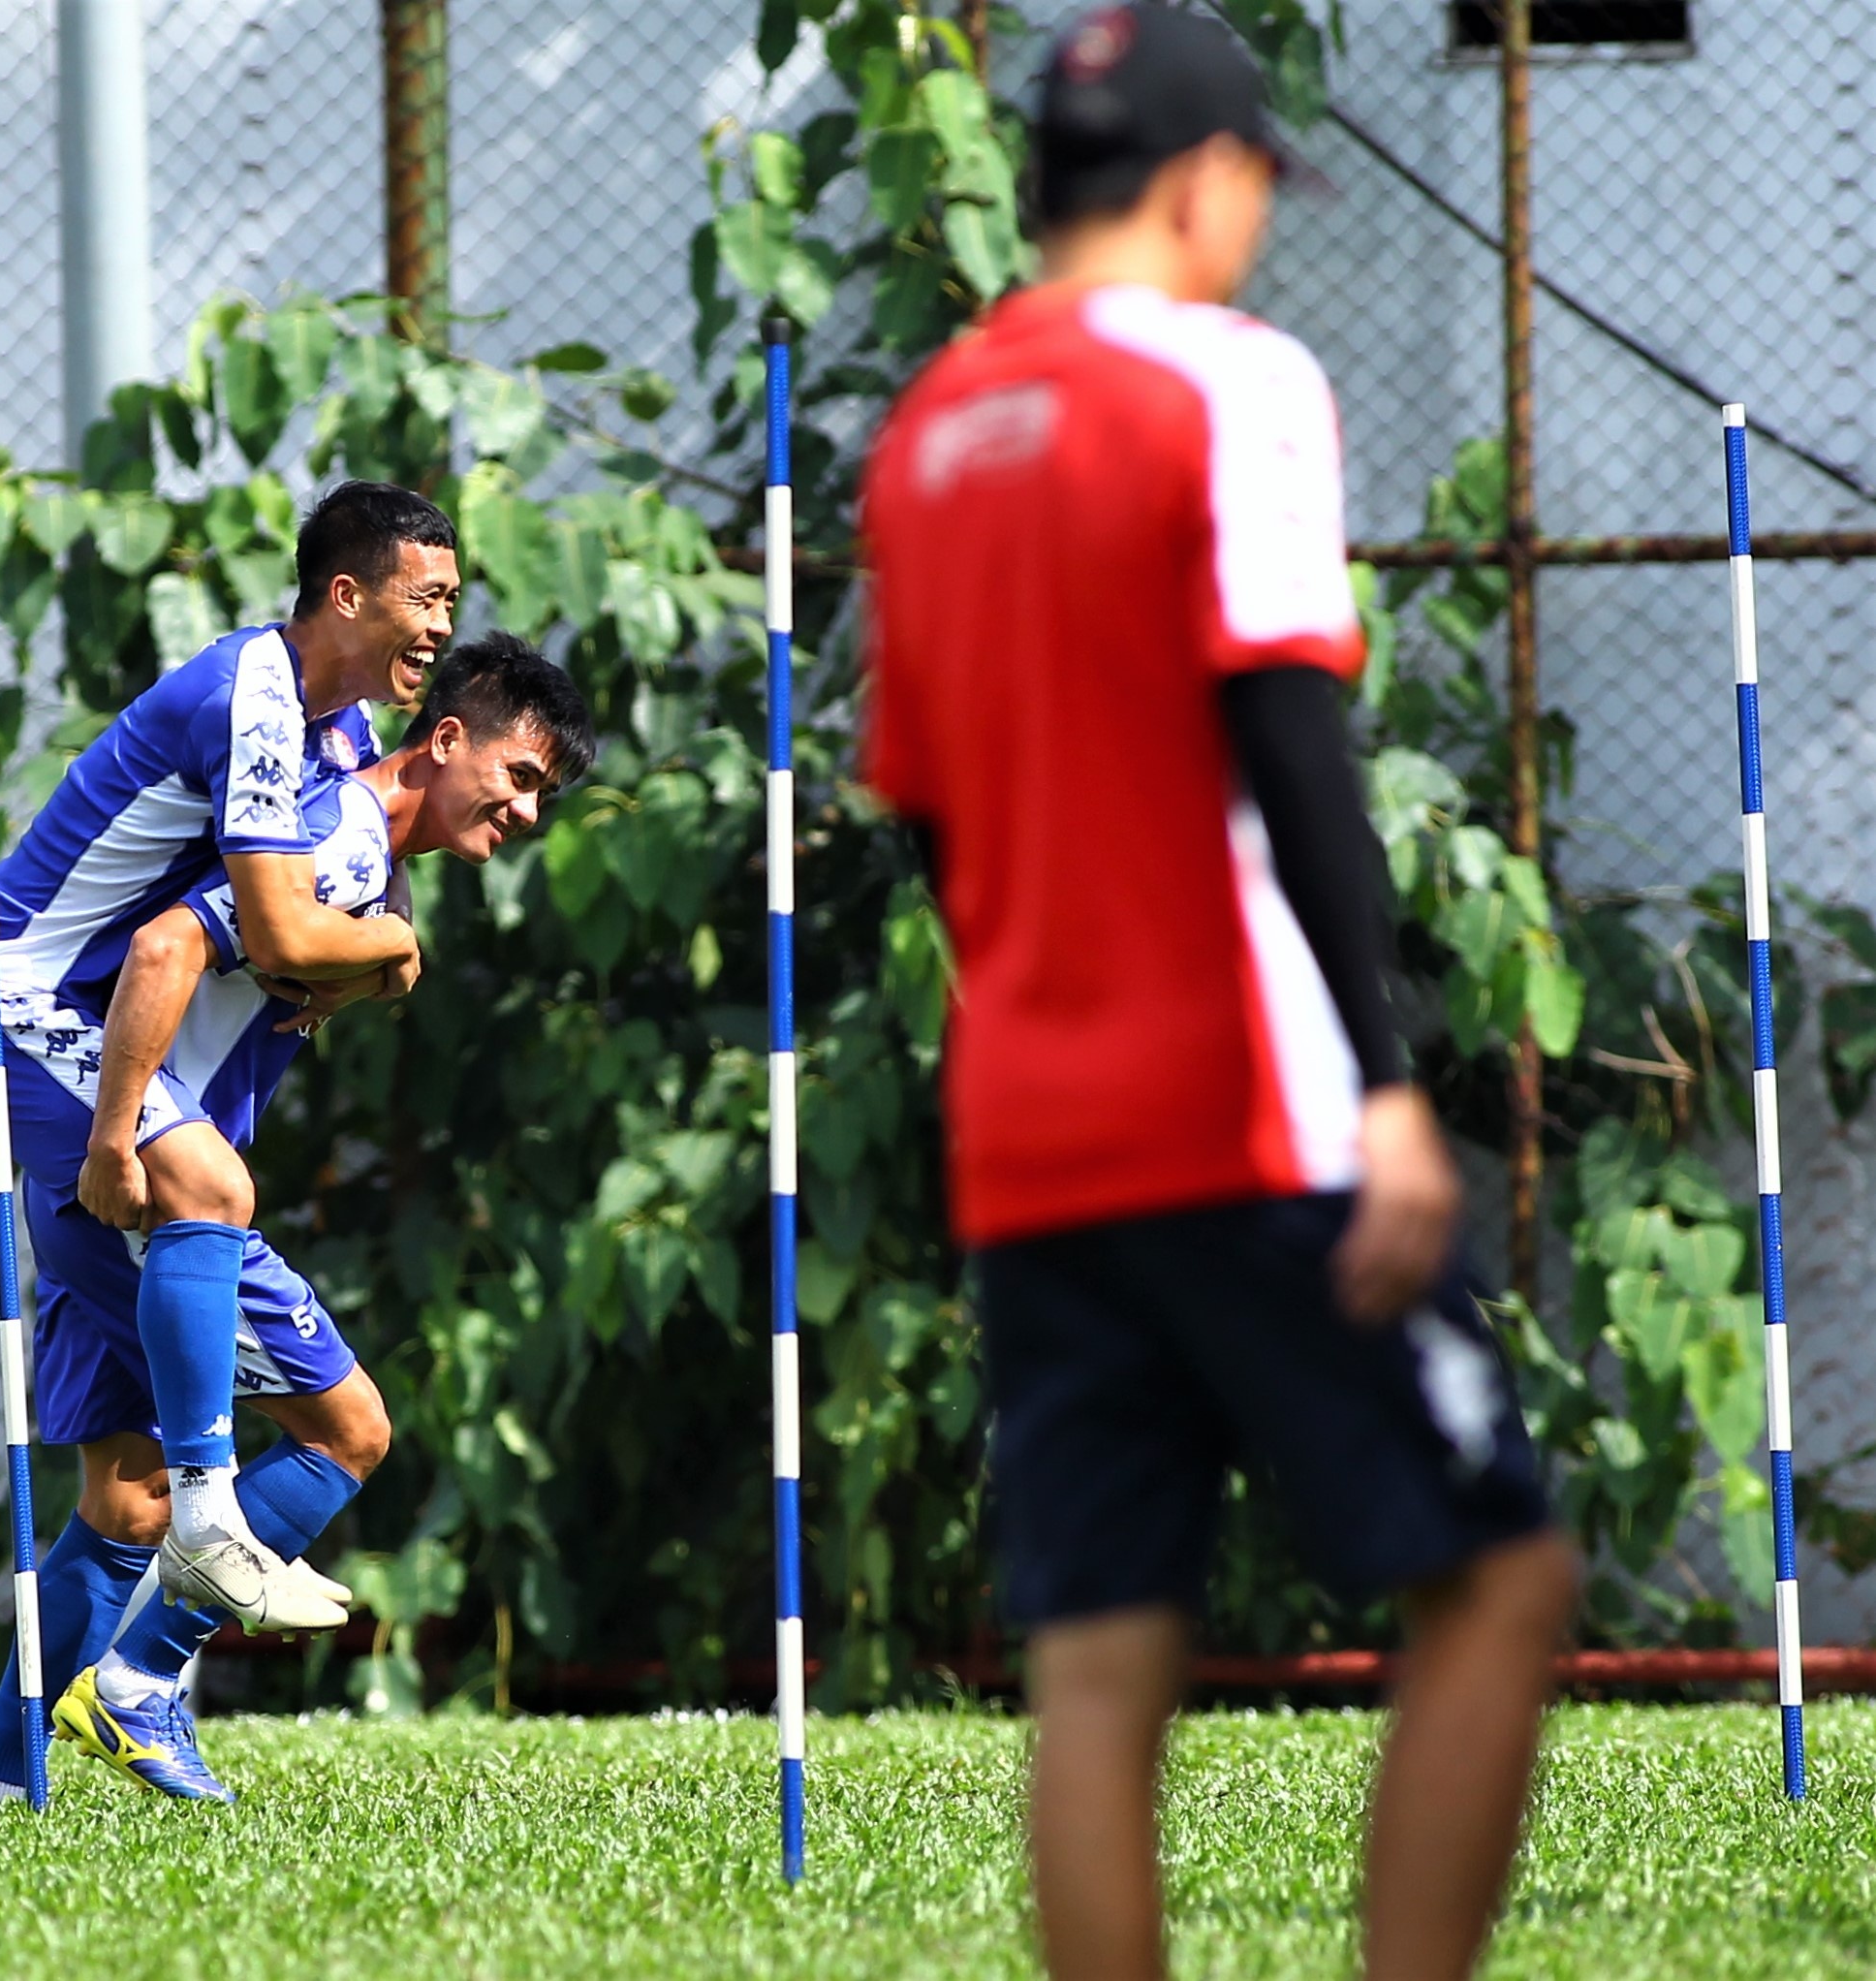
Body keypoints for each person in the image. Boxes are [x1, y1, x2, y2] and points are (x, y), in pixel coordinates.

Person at [855, 10, 1578, 1979]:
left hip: (1028, 1123)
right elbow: (1285, 736)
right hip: (1252, 1105)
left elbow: (926, 821)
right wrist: (1391, 1086)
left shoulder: (926, 433)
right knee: (1499, 1576)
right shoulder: (1223, 383)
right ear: (1203, 181)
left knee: (1096, 1662)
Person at [0, 633, 595, 1802]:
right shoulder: (346, 844)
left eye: (543, 793)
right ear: (446, 741)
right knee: (349, 1430)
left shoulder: (336, 827)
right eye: (519, 775)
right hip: (149, 1180)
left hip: (120, 1159)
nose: (528, 810)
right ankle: (142, 1680)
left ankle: (0, 1789)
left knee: (122, 1499)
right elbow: (162, 948)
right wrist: (122, 1134)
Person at [0, 481, 459, 1635]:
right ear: (347, 592)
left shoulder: (341, 731)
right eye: (427, 597)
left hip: (85, 1026)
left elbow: (289, 953)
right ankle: (215, 1530)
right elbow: (272, 933)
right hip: (1, 992)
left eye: (454, 602)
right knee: (214, 1188)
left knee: (121, 1492)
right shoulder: (254, 697)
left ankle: (17, 1769)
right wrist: (397, 949)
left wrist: (345, 963)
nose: (442, 627)